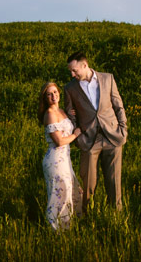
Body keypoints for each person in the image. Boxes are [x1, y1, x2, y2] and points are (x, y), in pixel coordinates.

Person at [64, 51, 127, 212]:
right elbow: (70, 115)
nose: (72, 74)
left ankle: (116, 217)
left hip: (112, 136)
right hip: (88, 140)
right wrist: (77, 136)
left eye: (74, 70)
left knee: (114, 182)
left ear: (85, 65)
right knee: (88, 183)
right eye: (70, 71)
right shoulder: (70, 88)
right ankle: (87, 217)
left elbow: (118, 105)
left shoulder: (108, 78)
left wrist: (123, 129)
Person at [38, 81, 81, 230]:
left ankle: (67, 227)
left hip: (65, 159)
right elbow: (59, 141)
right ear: (45, 98)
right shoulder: (49, 114)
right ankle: (54, 229)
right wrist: (75, 135)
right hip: (55, 160)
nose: (53, 96)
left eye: (55, 92)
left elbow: (68, 125)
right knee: (59, 195)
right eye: (49, 94)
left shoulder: (62, 111)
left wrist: (72, 115)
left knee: (69, 191)